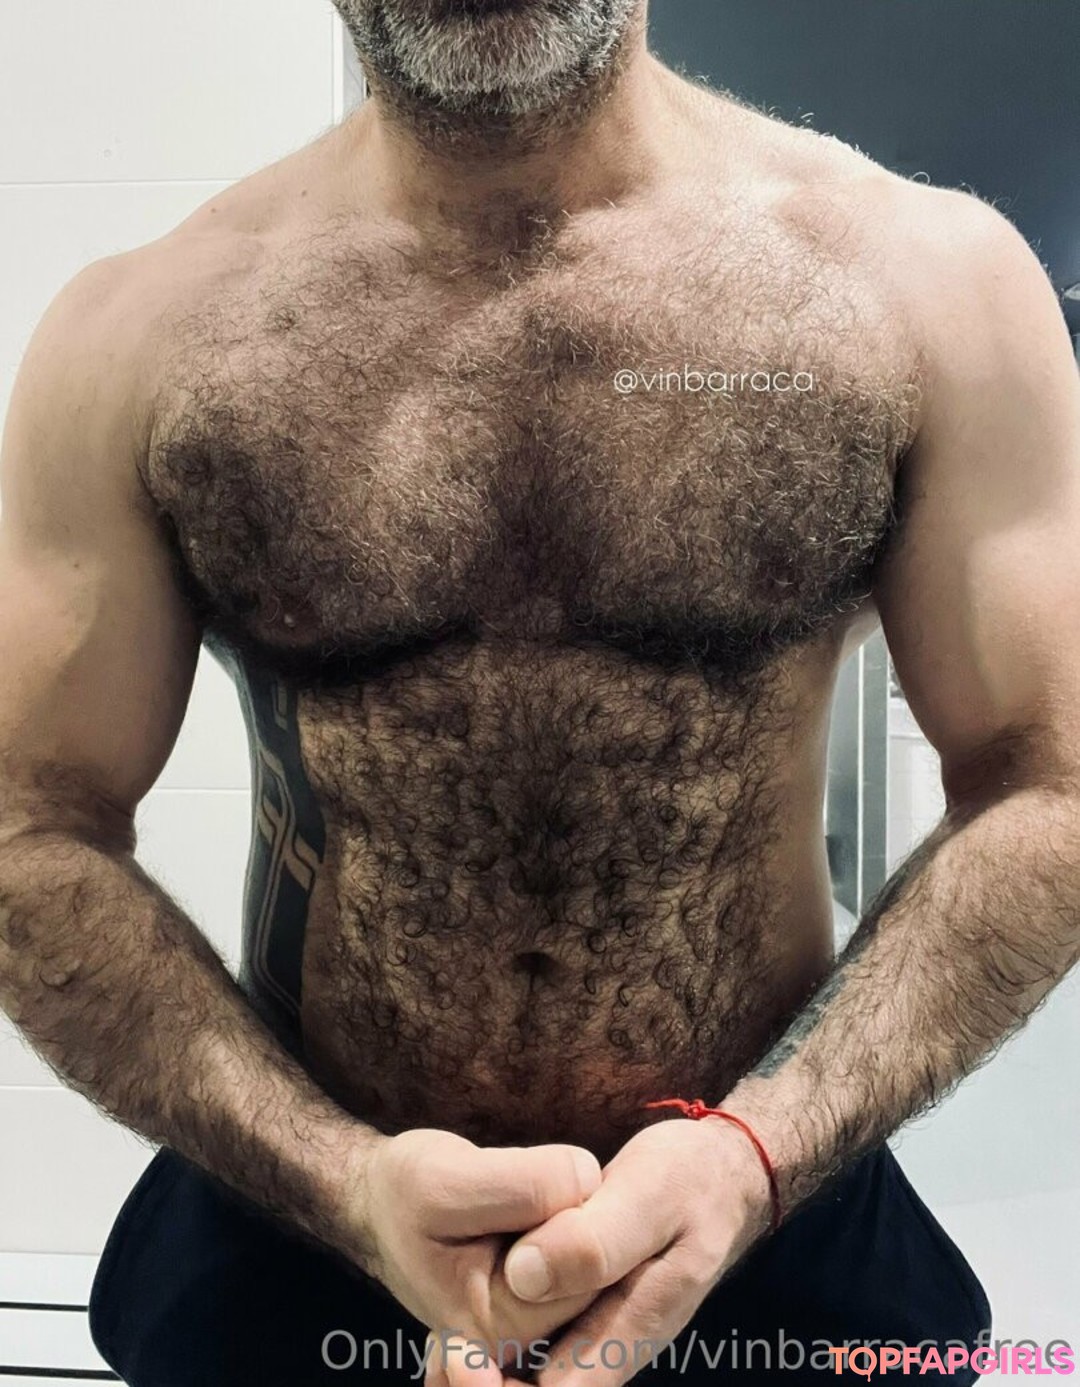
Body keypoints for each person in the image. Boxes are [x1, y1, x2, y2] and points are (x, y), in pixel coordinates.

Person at [1, 1, 1078, 1382]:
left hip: (773, 1205)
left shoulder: (925, 286)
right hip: (291, 1218)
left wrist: (759, 1152)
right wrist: (338, 1182)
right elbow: (31, 827)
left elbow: (1050, 784)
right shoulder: (141, 337)